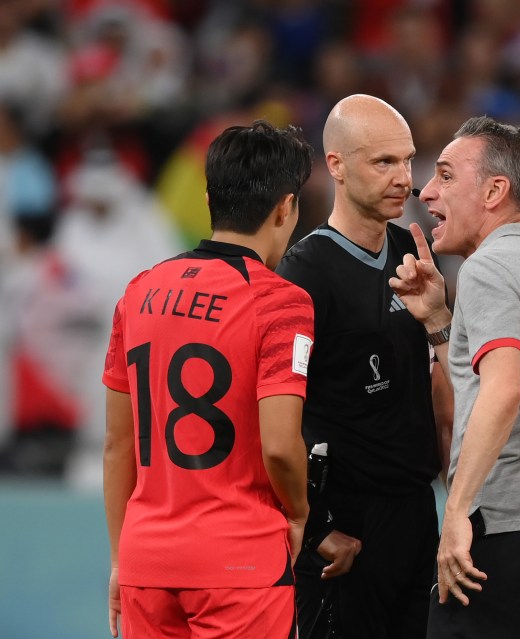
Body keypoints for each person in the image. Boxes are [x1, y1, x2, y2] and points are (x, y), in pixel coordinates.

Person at [389, 115, 520, 639]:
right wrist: (441, 324)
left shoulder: (489, 269)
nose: (428, 189)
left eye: (444, 175)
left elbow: (504, 390)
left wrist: (458, 511)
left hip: (506, 522)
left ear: (494, 191)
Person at [102, 120, 315, 639]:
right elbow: (282, 447)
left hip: (145, 561)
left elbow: (117, 443)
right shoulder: (281, 302)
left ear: (208, 196)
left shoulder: (139, 292)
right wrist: (301, 513)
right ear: (285, 208)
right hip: (240, 564)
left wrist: (120, 560)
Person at [275, 94, 452, 639]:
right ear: (336, 166)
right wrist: (316, 524)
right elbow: (279, 414)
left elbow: (441, 386)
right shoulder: (304, 273)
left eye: (408, 160)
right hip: (345, 523)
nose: (406, 178)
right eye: (384, 163)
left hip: (418, 512)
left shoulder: (415, 252)